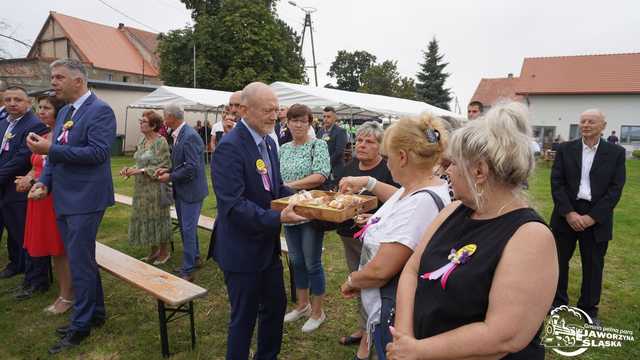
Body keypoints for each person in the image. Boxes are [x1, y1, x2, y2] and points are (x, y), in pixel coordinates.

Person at [386, 103, 558, 360]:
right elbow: (412, 269)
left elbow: (503, 336)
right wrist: (405, 337)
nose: (446, 172)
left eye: (452, 164)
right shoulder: (453, 210)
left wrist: (419, 351)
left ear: (479, 171)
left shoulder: (530, 237)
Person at [339, 114, 451, 360]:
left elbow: (381, 270)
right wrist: (369, 182)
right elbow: (399, 196)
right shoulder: (422, 187)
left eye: (389, 156)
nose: (387, 163)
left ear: (402, 157)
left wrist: (352, 280)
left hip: (394, 312)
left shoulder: (420, 202)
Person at [210, 82, 306, 360]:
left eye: (276, 110)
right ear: (243, 110)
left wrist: (307, 198)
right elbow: (233, 206)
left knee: (274, 308)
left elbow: (275, 188)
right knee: (243, 319)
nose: (274, 116)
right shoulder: (230, 148)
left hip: (266, 249)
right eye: (267, 110)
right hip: (241, 252)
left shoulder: (267, 141)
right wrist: (279, 216)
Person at [27, 58, 117, 354]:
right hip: (65, 196)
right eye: (52, 77)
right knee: (82, 258)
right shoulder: (65, 110)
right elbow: (54, 158)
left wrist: (49, 148)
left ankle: (80, 326)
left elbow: (98, 153)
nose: (53, 82)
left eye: (58, 77)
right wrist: (44, 182)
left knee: (78, 261)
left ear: (78, 81)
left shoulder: (100, 110)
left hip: (87, 197)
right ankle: (96, 314)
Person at [551, 109, 626, 324]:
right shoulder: (565, 149)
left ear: (603, 126)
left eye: (591, 121)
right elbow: (557, 183)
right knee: (559, 261)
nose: (585, 125)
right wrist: (569, 213)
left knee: (593, 265)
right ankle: (557, 302)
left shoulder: (616, 153)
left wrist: (593, 217)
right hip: (566, 215)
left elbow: (615, 189)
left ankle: (588, 309)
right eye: (583, 121)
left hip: (597, 218)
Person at [334, 121, 397, 358]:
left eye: (369, 141)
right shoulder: (348, 167)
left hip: (379, 241)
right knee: (357, 283)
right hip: (350, 235)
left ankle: (376, 334)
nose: (361, 145)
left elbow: (400, 202)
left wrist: (374, 216)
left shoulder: (388, 171)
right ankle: (364, 328)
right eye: (359, 140)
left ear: (380, 146)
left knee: (376, 287)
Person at [14, 93, 73, 313]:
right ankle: (63, 291)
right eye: (39, 107)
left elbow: (62, 168)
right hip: (38, 197)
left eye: (46, 108)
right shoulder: (46, 134)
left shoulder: (62, 138)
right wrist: (29, 178)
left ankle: (67, 295)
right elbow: (37, 165)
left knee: (60, 250)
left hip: (53, 199)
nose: (41, 111)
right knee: (51, 249)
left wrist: (37, 182)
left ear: (60, 111)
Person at [279, 104, 331, 332]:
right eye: (294, 120)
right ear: (287, 122)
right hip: (288, 211)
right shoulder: (282, 149)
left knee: (312, 263)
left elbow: (321, 174)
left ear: (310, 123)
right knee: (296, 260)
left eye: (303, 121)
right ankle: (302, 305)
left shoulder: (318, 145)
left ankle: (318, 312)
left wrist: (289, 185)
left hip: (310, 211)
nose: (299, 125)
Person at [0, 86, 49, 291]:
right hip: (4, 185)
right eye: (8, 99)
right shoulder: (4, 122)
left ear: (28, 103)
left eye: (18, 100)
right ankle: (15, 264)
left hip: (17, 184)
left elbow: (21, 159)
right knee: (9, 227)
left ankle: (32, 274)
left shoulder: (34, 125)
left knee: (20, 231)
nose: (12, 103)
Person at [155, 103, 208, 282]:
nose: (163, 119)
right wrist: (167, 170)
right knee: (188, 229)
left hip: (191, 192)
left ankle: (188, 270)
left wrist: (170, 176)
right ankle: (195, 258)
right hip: (183, 189)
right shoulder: (178, 134)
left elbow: (191, 168)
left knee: (187, 229)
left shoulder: (189, 136)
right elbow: (180, 162)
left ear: (172, 117)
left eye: (165, 116)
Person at [119, 110, 172, 265]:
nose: (140, 123)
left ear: (153, 125)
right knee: (146, 218)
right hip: (141, 188)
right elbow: (140, 162)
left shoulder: (161, 142)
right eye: (140, 121)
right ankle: (153, 251)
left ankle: (164, 252)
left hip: (156, 188)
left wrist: (141, 171)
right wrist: (129, 170)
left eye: (143, 121)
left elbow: (165, 165)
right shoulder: (142, 140)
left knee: (158, 219)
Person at [317, 106, 348, 187]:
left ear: (334, 118)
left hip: (335, 169)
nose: (326, 119)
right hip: (321, 170)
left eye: (328, 116)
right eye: (324, 116)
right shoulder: (320, 132)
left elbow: (339, 152)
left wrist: (325, 163)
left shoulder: (341, 131)